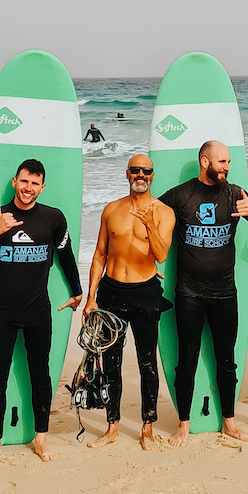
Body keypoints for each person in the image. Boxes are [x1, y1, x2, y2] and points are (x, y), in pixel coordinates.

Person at [0, 159, 82, 464]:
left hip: (37, 313)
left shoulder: (53, 218)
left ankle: (41, 439)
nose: (28, 188)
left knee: (40, 375)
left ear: (42, 187)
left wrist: (77, 290)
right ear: (14, 181)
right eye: (24, 181)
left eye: (35, 183)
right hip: (2, 314)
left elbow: (65, 255)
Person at [159, 140, 248, 446]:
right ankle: (183, 424)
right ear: (205, 162)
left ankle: (229, 421)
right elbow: (151, 216)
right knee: (187, 360)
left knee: (226, 360)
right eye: (222, 161)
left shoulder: (235, 193)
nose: (227, 167)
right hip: (189, 294)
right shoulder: (181, 195)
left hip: (224, 294)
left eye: (229, 162)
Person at [80, 154, 174, 450]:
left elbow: (161, 256)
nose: (141, 175)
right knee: (110, 364)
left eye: (147, 171)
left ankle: (147, 427)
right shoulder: (111, 210)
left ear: (152, 176)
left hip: (145, 293)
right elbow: (99, 255)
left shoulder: (163, 212)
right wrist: (90, 297)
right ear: (127, 174)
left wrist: (149, 225)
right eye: (136, 170)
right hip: (111, 293)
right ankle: (112, 427)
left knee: (147, 362)